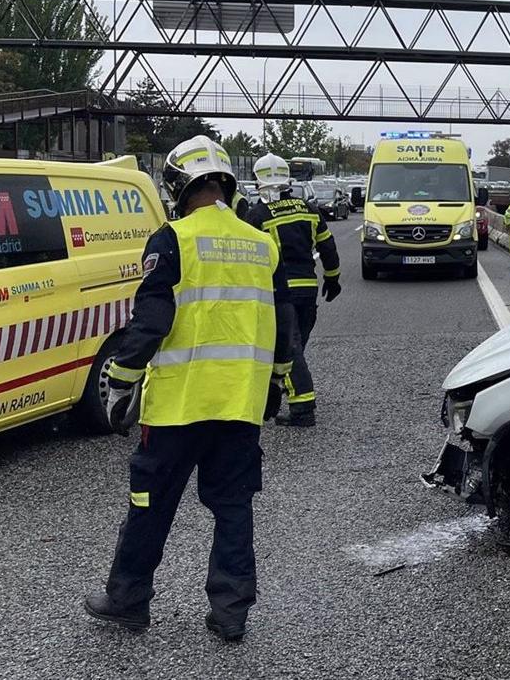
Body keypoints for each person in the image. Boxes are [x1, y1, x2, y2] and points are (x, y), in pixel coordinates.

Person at [84, 135, 295, 643]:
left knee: (148, 503)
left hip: (178, 407)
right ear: (226, 184)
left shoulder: (172, 239)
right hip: (239, 403)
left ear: (178, 186)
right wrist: (277, 381)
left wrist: (120, 385)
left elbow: (151, 323)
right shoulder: (263, 243)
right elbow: (284, 325)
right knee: (233, 506)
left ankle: (128, 600)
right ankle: (230, 612)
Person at [242, 153, 341, 427]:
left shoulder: (257, 216)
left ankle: (303, 407)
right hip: (309, 291)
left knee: (291, 348)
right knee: (296, 345)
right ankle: (288, 386)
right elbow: (328, 248)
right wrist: (333, 279)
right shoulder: (309, 209)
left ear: (257, 180)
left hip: (279, 294)